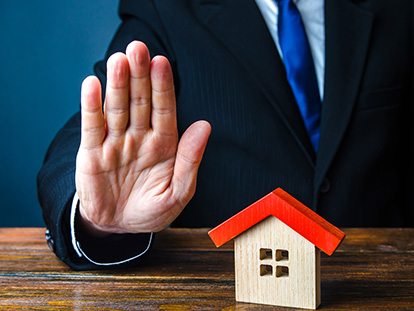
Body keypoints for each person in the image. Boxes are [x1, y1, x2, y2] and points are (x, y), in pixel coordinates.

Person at [37, 0, 413, 270]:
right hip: (237, 284)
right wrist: (96, 220)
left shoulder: (398, 11)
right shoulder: (165, 10)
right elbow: (93, 135)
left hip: (382, 279)